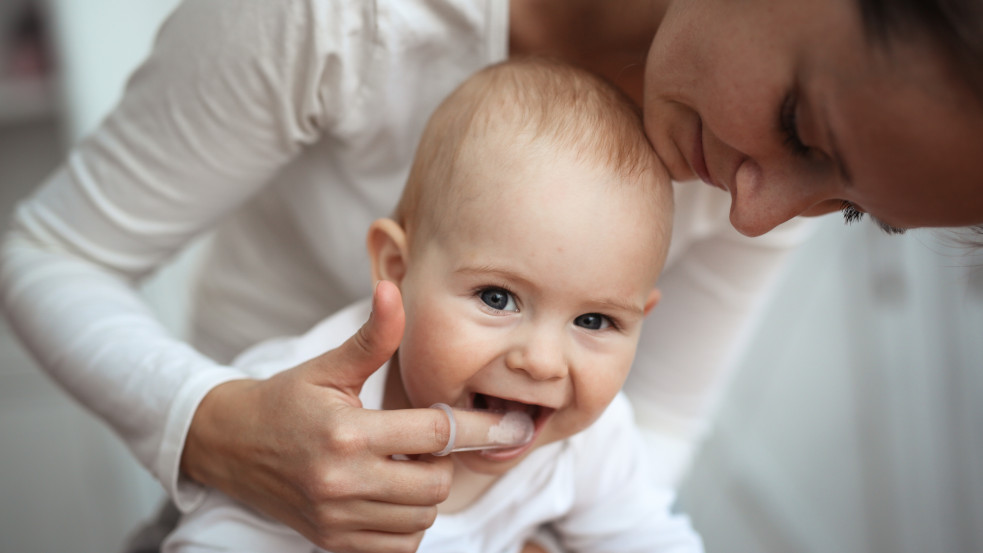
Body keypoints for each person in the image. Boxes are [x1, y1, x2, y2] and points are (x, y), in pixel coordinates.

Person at [0, 0, 979, 552]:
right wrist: (214, 427)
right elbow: (48, 253)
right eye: (804, 129)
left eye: (849, 205)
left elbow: (651, 443)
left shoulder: (762, 188)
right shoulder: (337, 18)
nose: (758, 216)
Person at [162, 56, 701, 553]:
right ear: (397, 268)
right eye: (498, 297)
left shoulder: (592, 443)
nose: (541, 361)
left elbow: (651, 538)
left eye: (594, 320)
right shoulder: (301, 411)